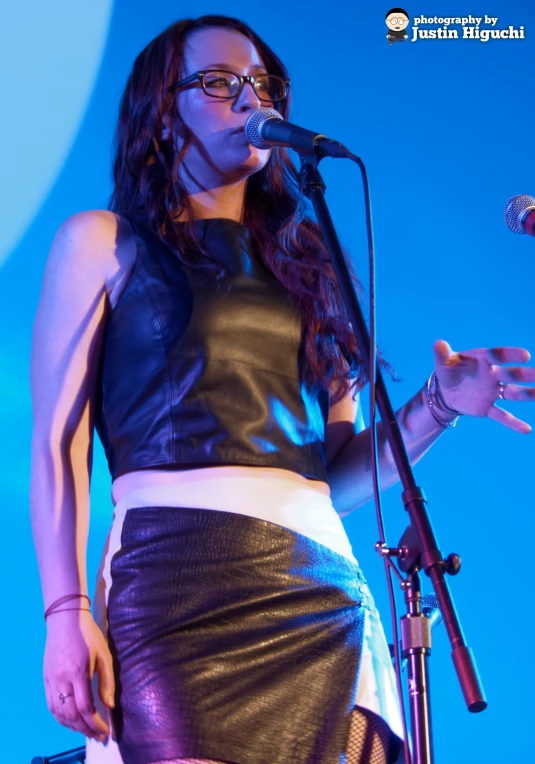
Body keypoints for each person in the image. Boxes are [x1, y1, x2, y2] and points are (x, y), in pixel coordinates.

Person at [29, 14, 534, 764]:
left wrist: (434, 408)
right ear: (161, 116)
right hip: (175, 576)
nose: (247, 98)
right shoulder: (102, 242)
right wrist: (66, 613)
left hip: (318, 585)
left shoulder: (310, 269)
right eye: (218, 82)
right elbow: (56, 442)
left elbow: (338, 474)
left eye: (262, 84)